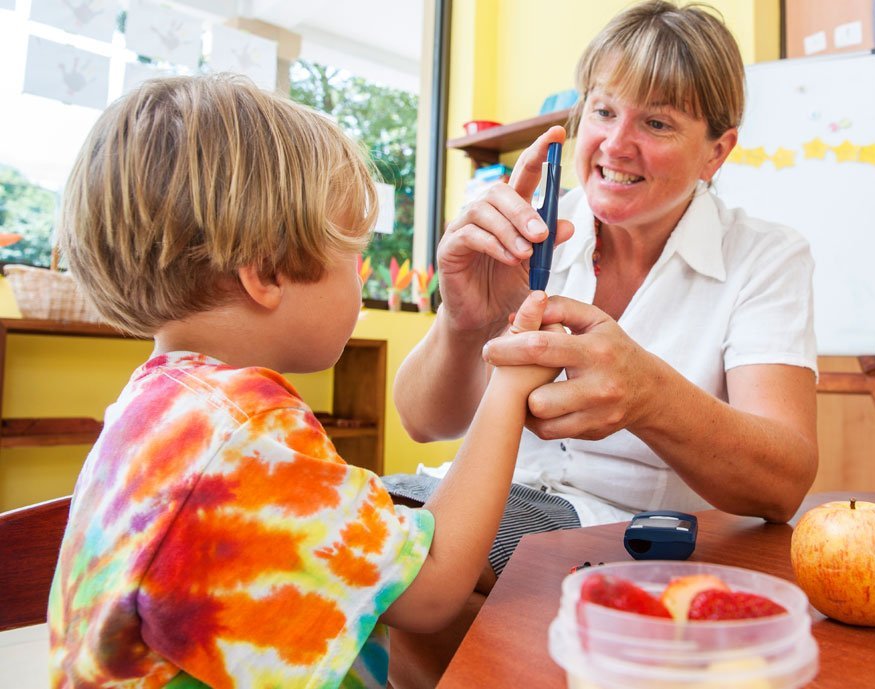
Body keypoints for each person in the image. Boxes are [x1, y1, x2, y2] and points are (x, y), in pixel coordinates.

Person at [47, 74, 557, 688]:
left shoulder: (157, 406)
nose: (359, 280)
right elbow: (430, 592)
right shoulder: (247, 427)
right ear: (266, 273)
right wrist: (509, 382)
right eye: (354, 254)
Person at [387, 2, 819, 686]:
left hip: (616, 534)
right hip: (479, 500)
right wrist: (464, 320)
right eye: (603, 111)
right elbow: (421, 417)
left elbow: (783, 480)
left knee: (408, 583)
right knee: (354, 544)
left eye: (656, 122)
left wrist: (648, 394)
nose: (616, 145)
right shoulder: (529, 227)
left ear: (718, 150)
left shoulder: (764, 257)